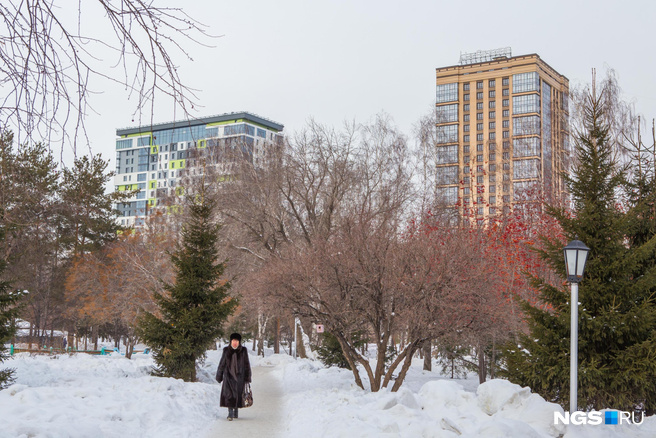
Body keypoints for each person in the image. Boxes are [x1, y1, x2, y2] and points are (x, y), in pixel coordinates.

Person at [216, 333, 252, 421]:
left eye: (236, 341)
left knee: (238, 394)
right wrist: (219, 375)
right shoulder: (226, 350)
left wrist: (247, 377)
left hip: (240, 377)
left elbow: (247, 364)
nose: (235, 342)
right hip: (228, 376)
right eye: (233, 341)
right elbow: (222, 364)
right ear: (231, 341)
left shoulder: (243, 351)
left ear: (239, 342)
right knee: (229, 395)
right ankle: (230, 413)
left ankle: (235, 411)